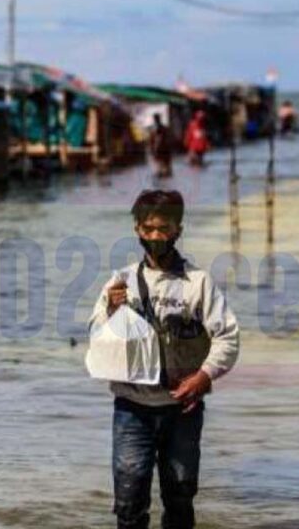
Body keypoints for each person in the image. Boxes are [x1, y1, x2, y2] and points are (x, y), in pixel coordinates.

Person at [89, 189, 240, 529]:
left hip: (182, 408)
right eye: (148, 228)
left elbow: (228, 337)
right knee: (129, 500)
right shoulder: (121, 282)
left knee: (181, 494)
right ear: (137, 230)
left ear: (178, 230)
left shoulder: (198, 283)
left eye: (164, 228)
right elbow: (95, 336)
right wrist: (112, 310)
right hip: (131, 408)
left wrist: (204, 376)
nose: (156, 236)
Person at [148, 114, 173, 178]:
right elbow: (151, 141)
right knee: (160, 164)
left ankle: (162, 171)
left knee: (162, 164)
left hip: (162, 150)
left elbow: (151, 141)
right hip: (160, 150)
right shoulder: (155, 129)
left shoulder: (160, 129)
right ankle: (161, 171)